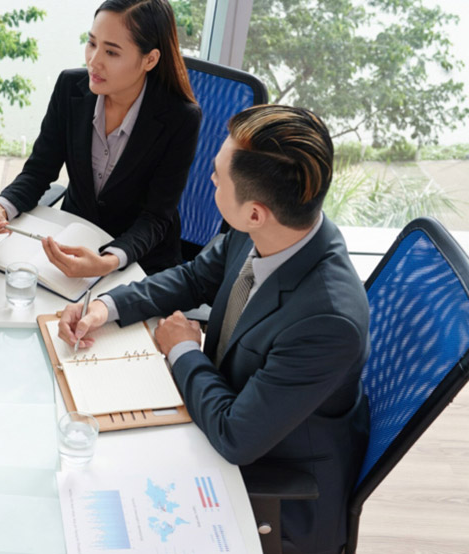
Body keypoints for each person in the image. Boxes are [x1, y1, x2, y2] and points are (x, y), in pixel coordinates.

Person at [58, 105, 370, 553]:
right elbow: (194, 277)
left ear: (256, 213)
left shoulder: (328, 320)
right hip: (227, 407)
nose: (211, 181)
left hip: (272, 491)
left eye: (218, 176)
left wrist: (183, 350)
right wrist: (105, 308)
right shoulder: (274, 230)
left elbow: (236, 437)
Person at [0, 0, 201, 277]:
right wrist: (1, 207)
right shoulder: (70, 89)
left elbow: (156, 217)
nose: (94, 61)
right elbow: (38, 171)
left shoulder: (180, 118)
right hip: (73, 239)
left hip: (139, 261)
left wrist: (109, 259)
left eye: (112, 52)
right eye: (92, 43)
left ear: (149, 60)